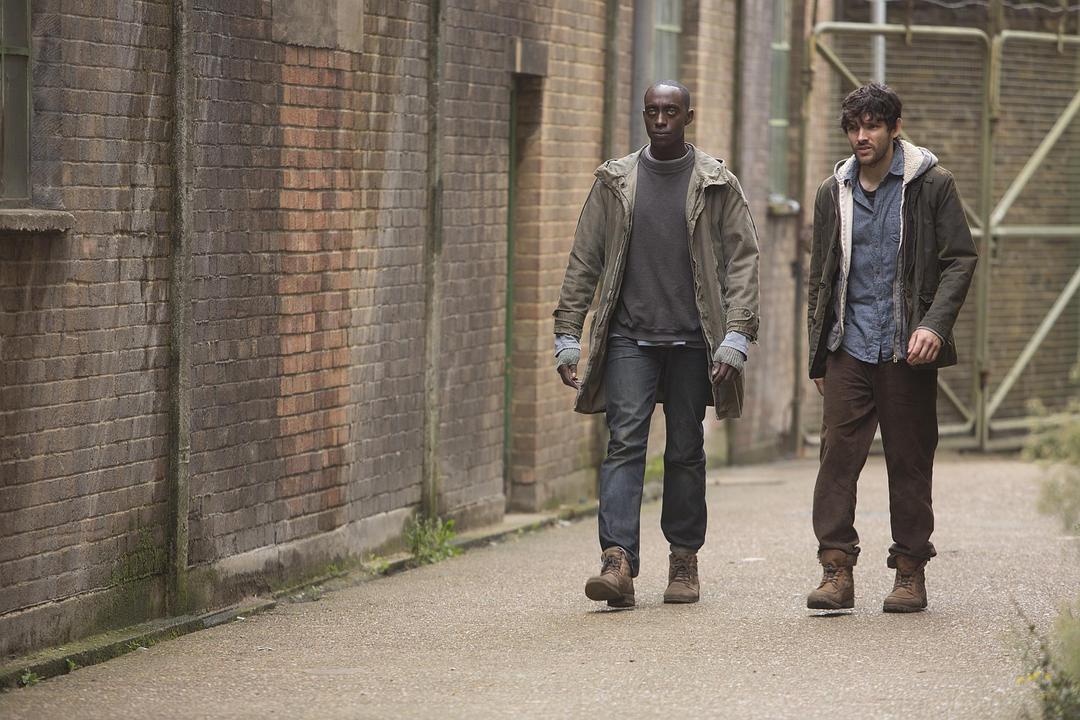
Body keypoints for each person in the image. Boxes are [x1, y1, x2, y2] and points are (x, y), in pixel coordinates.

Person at [552, 80, 760, 608]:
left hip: (694, 339)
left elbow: (743, 259)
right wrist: (567, 334)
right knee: (624, 443)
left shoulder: (716, 182)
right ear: (644, 116)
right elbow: (584, 259)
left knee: (686, 448)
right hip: (629, 337)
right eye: (652, 111)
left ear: (689, 115)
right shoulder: (616, 181)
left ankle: (684, 559)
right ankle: (617, 561)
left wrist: (736, 335)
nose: (661, 120)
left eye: (670, 111)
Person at [805, 83, 977, 613]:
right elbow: (820, 277)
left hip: (908, 349)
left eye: (872, 126)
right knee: (837, 461)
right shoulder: (832, 192)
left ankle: (909, 572)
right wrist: (818, 354)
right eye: (854, 127)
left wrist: (934, 326)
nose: (862, 136)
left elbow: (960, 260)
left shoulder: (933, 185)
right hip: (848, 346)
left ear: (894, 128)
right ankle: (836, 570)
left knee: (909, 461)